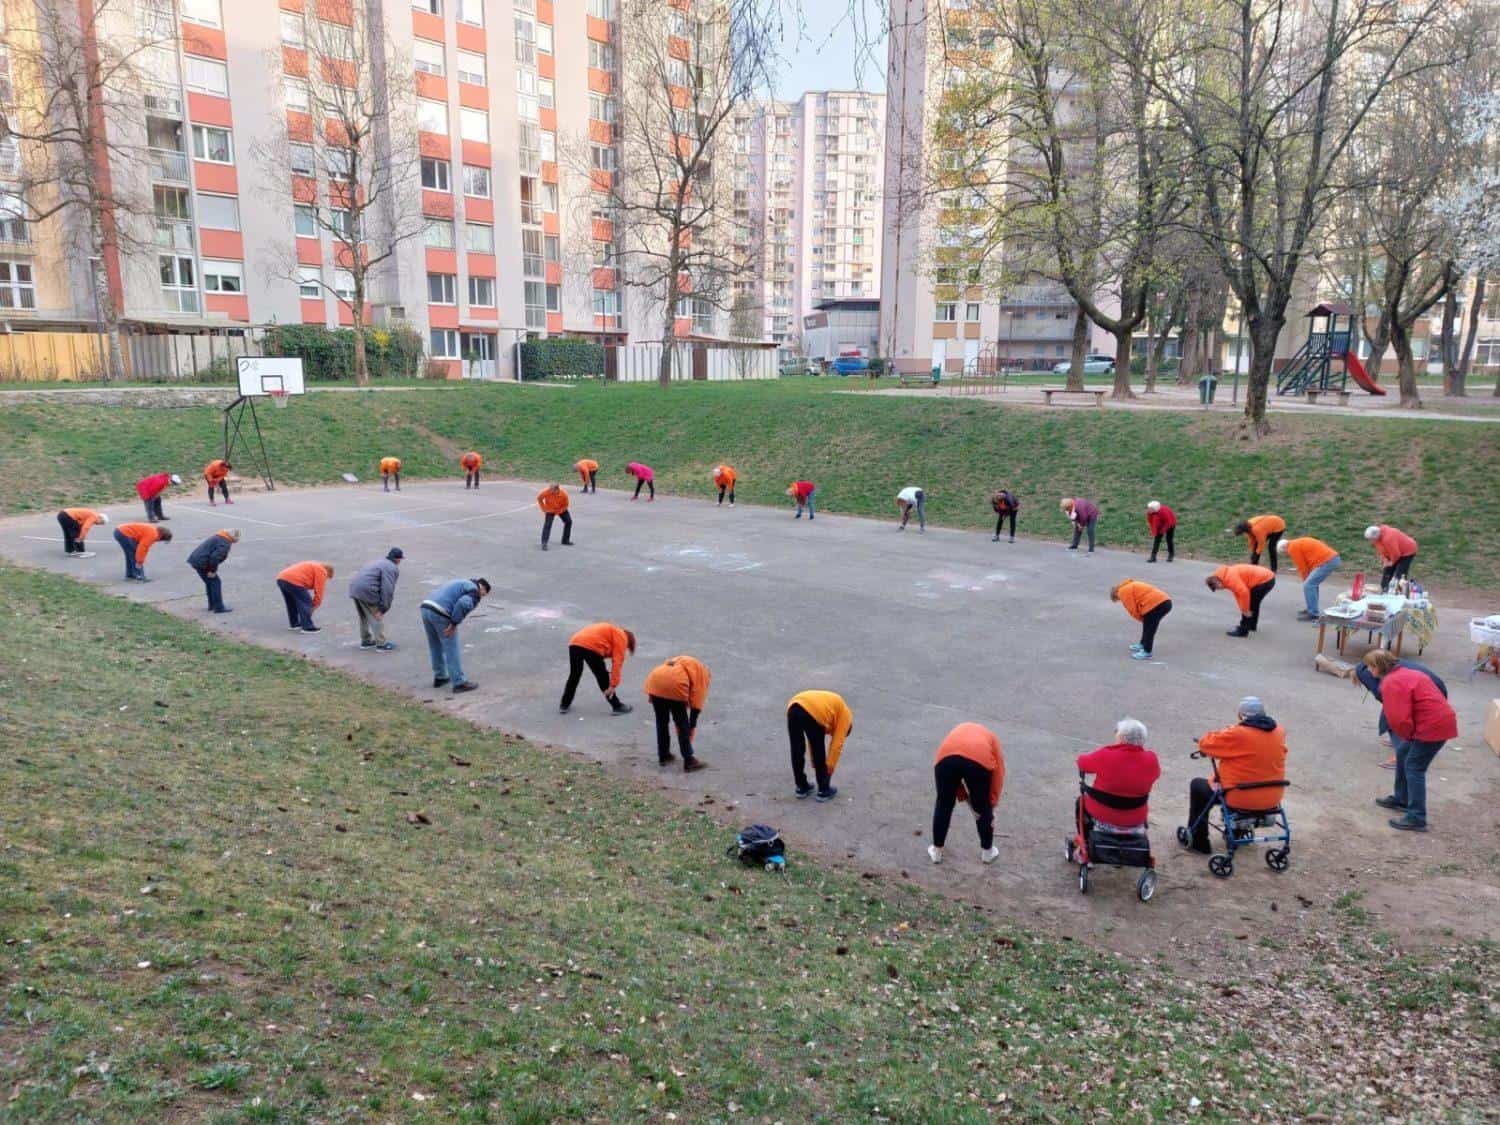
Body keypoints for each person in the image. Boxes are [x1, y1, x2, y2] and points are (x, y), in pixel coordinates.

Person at [1365, 651, 1458, 832]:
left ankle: (1417, 816)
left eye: (1369, 666)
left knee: (1414, 767)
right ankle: (1402, 798)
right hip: (1438, 721)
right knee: (1403, 753)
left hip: (1431, 727)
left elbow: (1399, 718)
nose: (1368, 670)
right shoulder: (1408, 672)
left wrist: (1407, 735)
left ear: (1378, 667)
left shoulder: (1390, 683)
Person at [1186, 697, 1288, 853]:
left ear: (1241, 715)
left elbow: (1206, 744)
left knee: (1198, 786)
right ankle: (1237, 832)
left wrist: (1230, 729)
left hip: (1239, 796)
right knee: (1251, 777)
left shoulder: (1237, 733)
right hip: (1273, 796)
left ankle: (1199, 841)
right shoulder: (1279, 732)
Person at [927, 722, 1004, 865]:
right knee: (982, 806)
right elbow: (998, 774)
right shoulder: (992, 739)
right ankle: (988, 853)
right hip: (978, 760)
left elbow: (954, 776)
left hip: (945, 759)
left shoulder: (959, 731)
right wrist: (991, 806)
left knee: (943, 804)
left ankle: (936, 852)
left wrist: (968, 801)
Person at [1356, 652, 1448, 769]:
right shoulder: (1389, 663)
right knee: (1396, 715)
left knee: (1394, 718)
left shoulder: (1364, 672)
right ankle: (1403, 744)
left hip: (1430, 693)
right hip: (1437, 689)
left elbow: (1382, 696)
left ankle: (1401, 753)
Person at [1076, 718, 1161, 834]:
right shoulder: (1151, 759)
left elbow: (1082, 763)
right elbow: (1156, 775)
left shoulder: (1105, 755)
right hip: (1135, 818)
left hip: (1103, 815)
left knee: (1080, 801)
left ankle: (1085, 839)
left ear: (1121, 737)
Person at [419, 577, 490, 693]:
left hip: (426, 607)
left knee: (435, 645)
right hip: (440, 612)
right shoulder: (474, 590)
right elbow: (463, 604)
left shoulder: (461, 583)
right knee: (451, 648)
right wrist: (453, 624)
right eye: (483, 594)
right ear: (482, 587)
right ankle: (459, 682)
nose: (481, 597)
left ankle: (440, 676)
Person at [642, 654, 711, 771]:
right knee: (682, 724)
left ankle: (663, 755)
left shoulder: (684, 661)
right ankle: (689, 760)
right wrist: (692, 725)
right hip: (675, 683)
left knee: (661, 722)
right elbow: (697, 704)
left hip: (655, 680)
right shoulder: (702, 675)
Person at [786, 689, 851, 802]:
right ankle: (823, 790)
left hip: (794, 705)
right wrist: (828, 770)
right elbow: (836, 746)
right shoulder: (846, 718)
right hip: (813, 709)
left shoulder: (832, 714)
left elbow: (813, 739)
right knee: (819, 750)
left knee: (797, 748)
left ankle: (801, 786)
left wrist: (813, 761)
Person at [559, 622, 635, 714]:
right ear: (629, 641)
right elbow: (617, 662)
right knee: (602, 676)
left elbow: (604, 650)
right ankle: (617, 706)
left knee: (575, 674)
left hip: (574, 642)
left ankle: (564, 704)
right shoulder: (622, 637)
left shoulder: (612, 632)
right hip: (590, 646)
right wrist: (613, 685)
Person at [349, 547, 404, 650]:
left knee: (364, 616)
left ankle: (366, 640)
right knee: (376, 616)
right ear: (397, 559)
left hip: (355, 588)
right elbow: (387, 589)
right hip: (366, 590)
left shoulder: (380, 562)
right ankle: (381, 644)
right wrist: (383, 608)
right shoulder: (391, 567)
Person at [1206, 563, 1275, 637]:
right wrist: (1242, 608)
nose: (1219, 589)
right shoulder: (1224, 577)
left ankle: (1243, 631)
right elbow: (1237, 594)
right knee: (1253, 603)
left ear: (1217, 582)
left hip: (1265, 580)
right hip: (1267, 578)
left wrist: (1244, 610)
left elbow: (1244, 593)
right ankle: (1251, 625)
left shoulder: (1230, 578)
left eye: (1217, 588)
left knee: (1249, 605)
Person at [1110, 579, 1172, 660]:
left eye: (1118, 599)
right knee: (1148, 625)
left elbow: (1132, 609)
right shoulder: (1128, 586)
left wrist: (1141, 619)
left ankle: (1147, 652)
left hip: (1156, 604)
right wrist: (1144, 620)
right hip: (1163, 602)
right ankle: (1142, 644)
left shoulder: (1122, 592)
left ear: (1115, 594)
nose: (1120, 600)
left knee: (1150, 628)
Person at [1284, 536, 1341, 621]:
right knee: (1312, 585)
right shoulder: (1297, 543)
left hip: (1327, 561)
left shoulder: (1292, 548)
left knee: (1309, 585)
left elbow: (1302, 567)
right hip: (1330, 558)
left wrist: (1305, 581)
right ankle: (1311, 608)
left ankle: (1313, 613)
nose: (1288, 554)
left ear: (1284, 548)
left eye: (1285, 553)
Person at [186, 528, 241, 613]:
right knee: (215, 582)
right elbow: (214, 558)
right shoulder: (225, 543)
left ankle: (212, 605)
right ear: (233, 537)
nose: (238, 540)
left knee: (210, 582)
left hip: (196, 560)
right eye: (238, 538)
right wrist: (212, 571)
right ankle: (218, 607)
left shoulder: (220, 537)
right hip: (201, 562)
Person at [276, 560, 334, 633]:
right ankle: (308, 627)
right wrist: (313, 606)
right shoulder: (322, 571)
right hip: (293, 580)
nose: (325, 579)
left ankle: (295, 624)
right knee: (306, 602)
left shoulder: (314, 566)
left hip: (281, 578)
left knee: (292, 603)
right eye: (327, 577)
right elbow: (319, 591)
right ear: (328, 572)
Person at [1365, 524, 1418, 592]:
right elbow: (1381, 551)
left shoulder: (1388, 538)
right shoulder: (1377, 539)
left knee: (1400, 573)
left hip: (1408, 551)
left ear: (1376, 537)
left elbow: (1396, 554)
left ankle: (1399, 591)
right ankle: (1384, 589)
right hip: (1395, 551)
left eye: (1370, 539)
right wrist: (1385, 560)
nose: (1370, 541)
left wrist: (1391, 563)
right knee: (1387, 570)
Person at [537, 483, 573, 550]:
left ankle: (565, 540)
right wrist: (544, 509)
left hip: (561, 509)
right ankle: (544, 543)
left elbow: (566, 504)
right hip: (550, 510)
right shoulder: (546, 492)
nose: (549, 490)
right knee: (547, 525)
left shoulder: (563, 494)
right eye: (549, 489)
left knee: (569, 522)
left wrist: (560, 511)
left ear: (557, 489)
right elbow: (539, 499)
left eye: (551, 490)